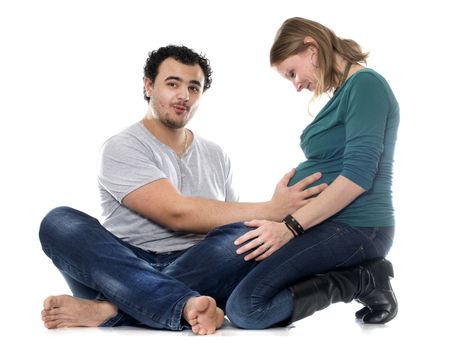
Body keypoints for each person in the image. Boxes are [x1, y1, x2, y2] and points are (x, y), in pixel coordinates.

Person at [39, 45, 326, 335]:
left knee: (243, 234)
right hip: (121, 266)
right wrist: (272, 209)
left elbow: (231, 224)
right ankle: (183, 304)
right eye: (173, 84)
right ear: (149, 86)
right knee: (59, 222)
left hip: (198, 265)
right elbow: (175, 213)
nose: (184, 96)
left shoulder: (216, 155)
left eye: (194, 87)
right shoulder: (122, 146)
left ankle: (109, 310)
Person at [221, 17, 399, 329]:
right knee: (232, 279)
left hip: (360, 227)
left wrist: (289, 227)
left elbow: (358, 178)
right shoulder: (344, 93)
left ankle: (363, 279)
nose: (297, 84)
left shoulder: (366, 85)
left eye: (292, 72)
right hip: (328, 224)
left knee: (247, 308)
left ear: (311, 48)